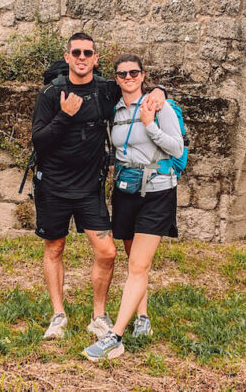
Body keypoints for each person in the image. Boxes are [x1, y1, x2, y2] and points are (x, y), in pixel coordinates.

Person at [31, 33, 165, 341]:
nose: (81, 57)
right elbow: (39, 139)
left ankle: (98, 315)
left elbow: (135, 88)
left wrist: (159, 89)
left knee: (106, 252)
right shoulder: (51, 93)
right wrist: (64, 117)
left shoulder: (105, 90)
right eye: (75, 52)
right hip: (53, 185)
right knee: (55, 247)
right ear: (67, 58)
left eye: (87, 52)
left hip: (89, 187)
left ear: (95, 58)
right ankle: (58, 314)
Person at [84, 53, 184, 362]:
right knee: (132, 259)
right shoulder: (114, 109)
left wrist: (150, 125)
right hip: (126, 193)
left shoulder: (158, 106)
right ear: (116, 78)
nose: (128, 78)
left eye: (134, 73)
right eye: (122, 74)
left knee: (139, 266)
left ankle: (115, 337)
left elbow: (177, 147)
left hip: (157, 192)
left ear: (143, 76)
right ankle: (143, 317)